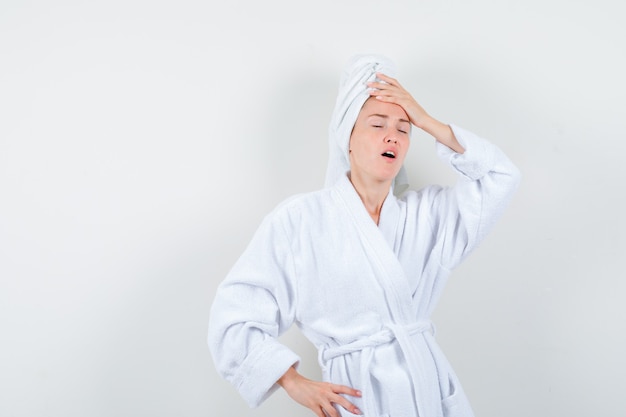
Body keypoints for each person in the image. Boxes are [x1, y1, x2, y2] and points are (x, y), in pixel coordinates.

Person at [208, 54, 521, 417]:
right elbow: (232, 318)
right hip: (358, 399)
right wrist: (292, 382)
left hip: (429, 393)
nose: (393, 135)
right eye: (377, 124)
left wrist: (428, 121)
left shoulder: (429, 215)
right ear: (348, 138)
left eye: (404, 129)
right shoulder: (299, 221)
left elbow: (501, 177)